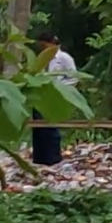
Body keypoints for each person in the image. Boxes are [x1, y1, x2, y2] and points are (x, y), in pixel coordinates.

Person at [31, 33, 78, 168]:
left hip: (56, 95)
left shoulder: (64, 58)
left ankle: (53, 158)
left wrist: (61, 89)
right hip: (40, 95)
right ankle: (40, 158)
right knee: (38, 128)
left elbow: (73, 77)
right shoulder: (41, 59)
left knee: (51, 128)